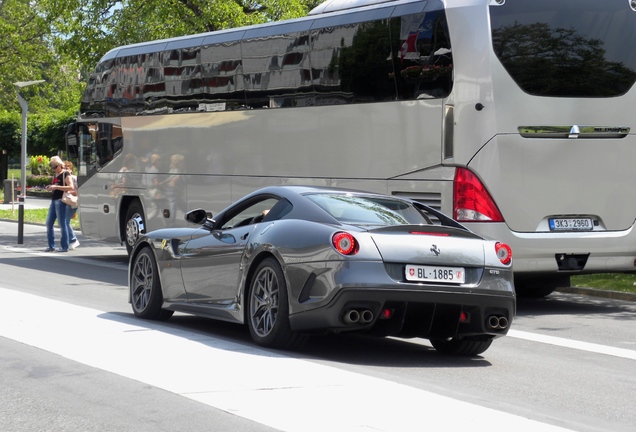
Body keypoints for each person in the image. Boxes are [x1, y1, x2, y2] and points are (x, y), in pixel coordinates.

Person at [44, 156, 74, 252]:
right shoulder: (56, 175)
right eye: (52, 167)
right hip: (54, 200)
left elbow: (71, 187)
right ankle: (51, 246)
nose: (54, 169)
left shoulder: (65, 174)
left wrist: (56, 187)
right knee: (49, 223)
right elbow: (56, 186)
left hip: (61, 201)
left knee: (62, 223)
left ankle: (65, 246)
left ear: (60, 165)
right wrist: (51, 187)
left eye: (55, 167)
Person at [64, 160, 80, 250]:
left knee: (65, 221)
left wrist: (68, 191)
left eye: (67, 168)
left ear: (71, 169)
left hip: (72, 201)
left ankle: (73, 240)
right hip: (65, 201)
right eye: (64, 168)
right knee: (65, 221)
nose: (66, 170)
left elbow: (77, 191)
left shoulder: (74, 178)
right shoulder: (63, 178)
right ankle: (70, 240)